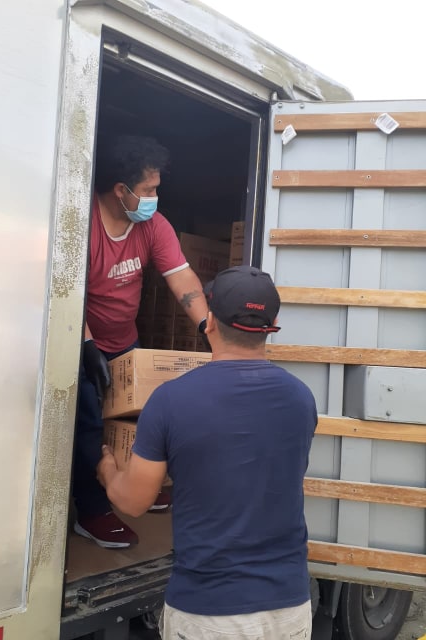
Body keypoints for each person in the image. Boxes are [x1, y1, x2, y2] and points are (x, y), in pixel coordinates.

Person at [97, 265, 318, 639]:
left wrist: (107, 471)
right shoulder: (301, 397)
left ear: (210, 321)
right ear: (273, 324)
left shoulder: (170, 401)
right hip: (289, 608)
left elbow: (134, 501)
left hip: (208, 610)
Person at [73, 135, 208, 549]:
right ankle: (93, 510)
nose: (154, 198)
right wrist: (87, 346)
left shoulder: (153, 225)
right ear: (121, 190)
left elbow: (181, 277)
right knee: (89, 424)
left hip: (125, 342)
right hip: (80, 341)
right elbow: (65, 293)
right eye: (148, 190)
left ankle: (134, 488)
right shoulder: (82, 224)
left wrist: (209, 328)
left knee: (137, 420)